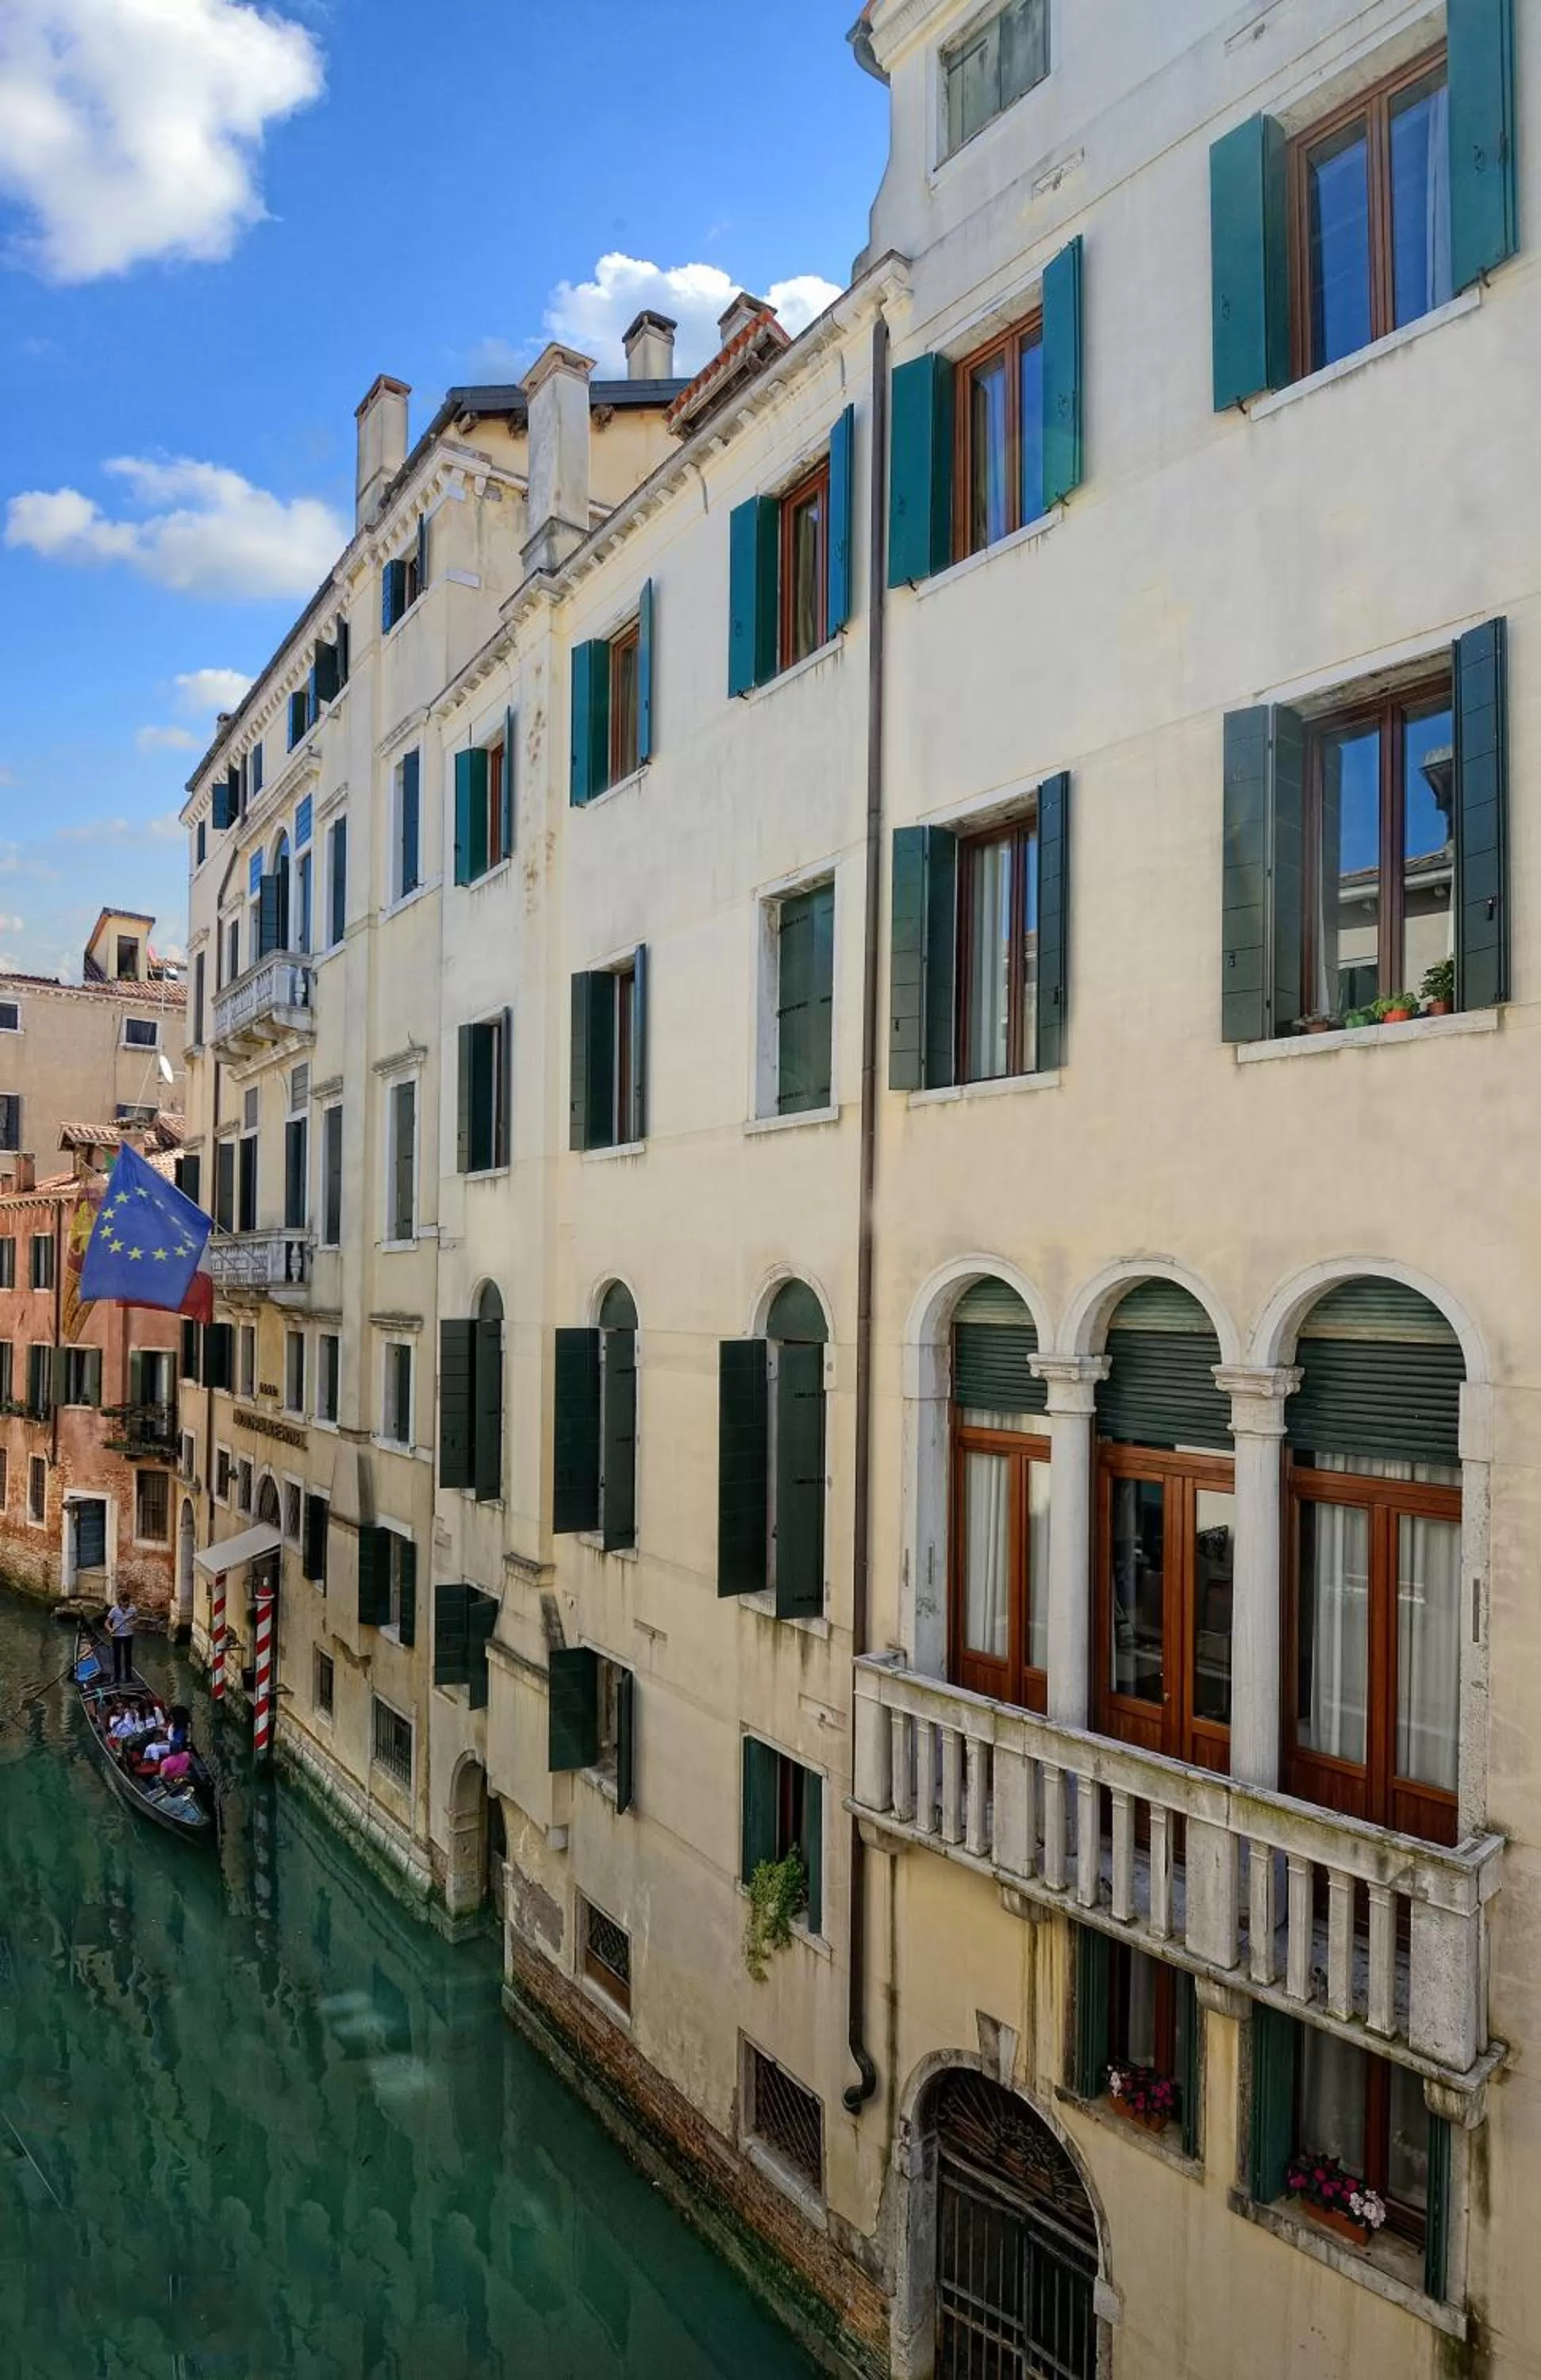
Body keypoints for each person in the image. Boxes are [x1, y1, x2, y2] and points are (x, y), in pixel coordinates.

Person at [104, 1594, 138, 1685]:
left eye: (128, 1601)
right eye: (125, 1602)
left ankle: (128, 1677)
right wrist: (110, 1630)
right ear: (121, 1602)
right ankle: (117, 1677)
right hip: (117, 1636)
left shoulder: (133, 1609)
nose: (127, 1603)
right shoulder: (114, 1610)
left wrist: (133, 1624)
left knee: (128, 1657)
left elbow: (137, 1619)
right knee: (117, 1657)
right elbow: (107, 1623)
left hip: (129, 1635)